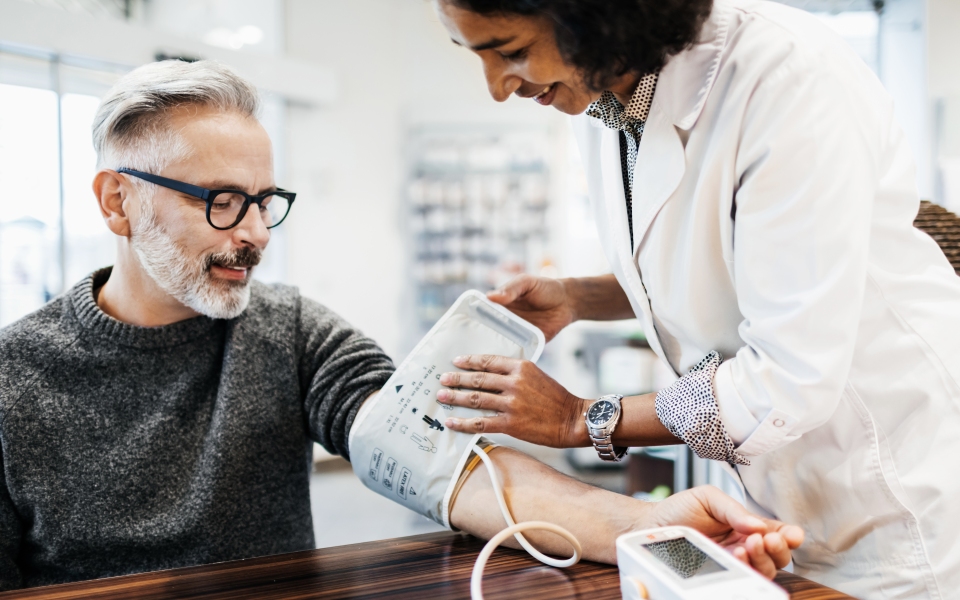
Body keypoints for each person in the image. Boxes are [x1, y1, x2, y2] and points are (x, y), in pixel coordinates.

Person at [0, 59, 802, 591]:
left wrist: (642, 522)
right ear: (116, 200)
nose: (254, 233)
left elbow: (442, 462)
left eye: (264, 202)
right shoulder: (15, 376)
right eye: (220, 201)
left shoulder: (289, 331)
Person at [434, 0, 960, 597]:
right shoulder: (600, 96)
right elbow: (714, 264)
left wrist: (582, 419)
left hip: (900, 496)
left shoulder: (787, 80)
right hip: (776, 499)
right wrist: (581, 297)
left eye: (512, 51)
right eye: (474, 54)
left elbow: (790, 377)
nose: (498, 88)